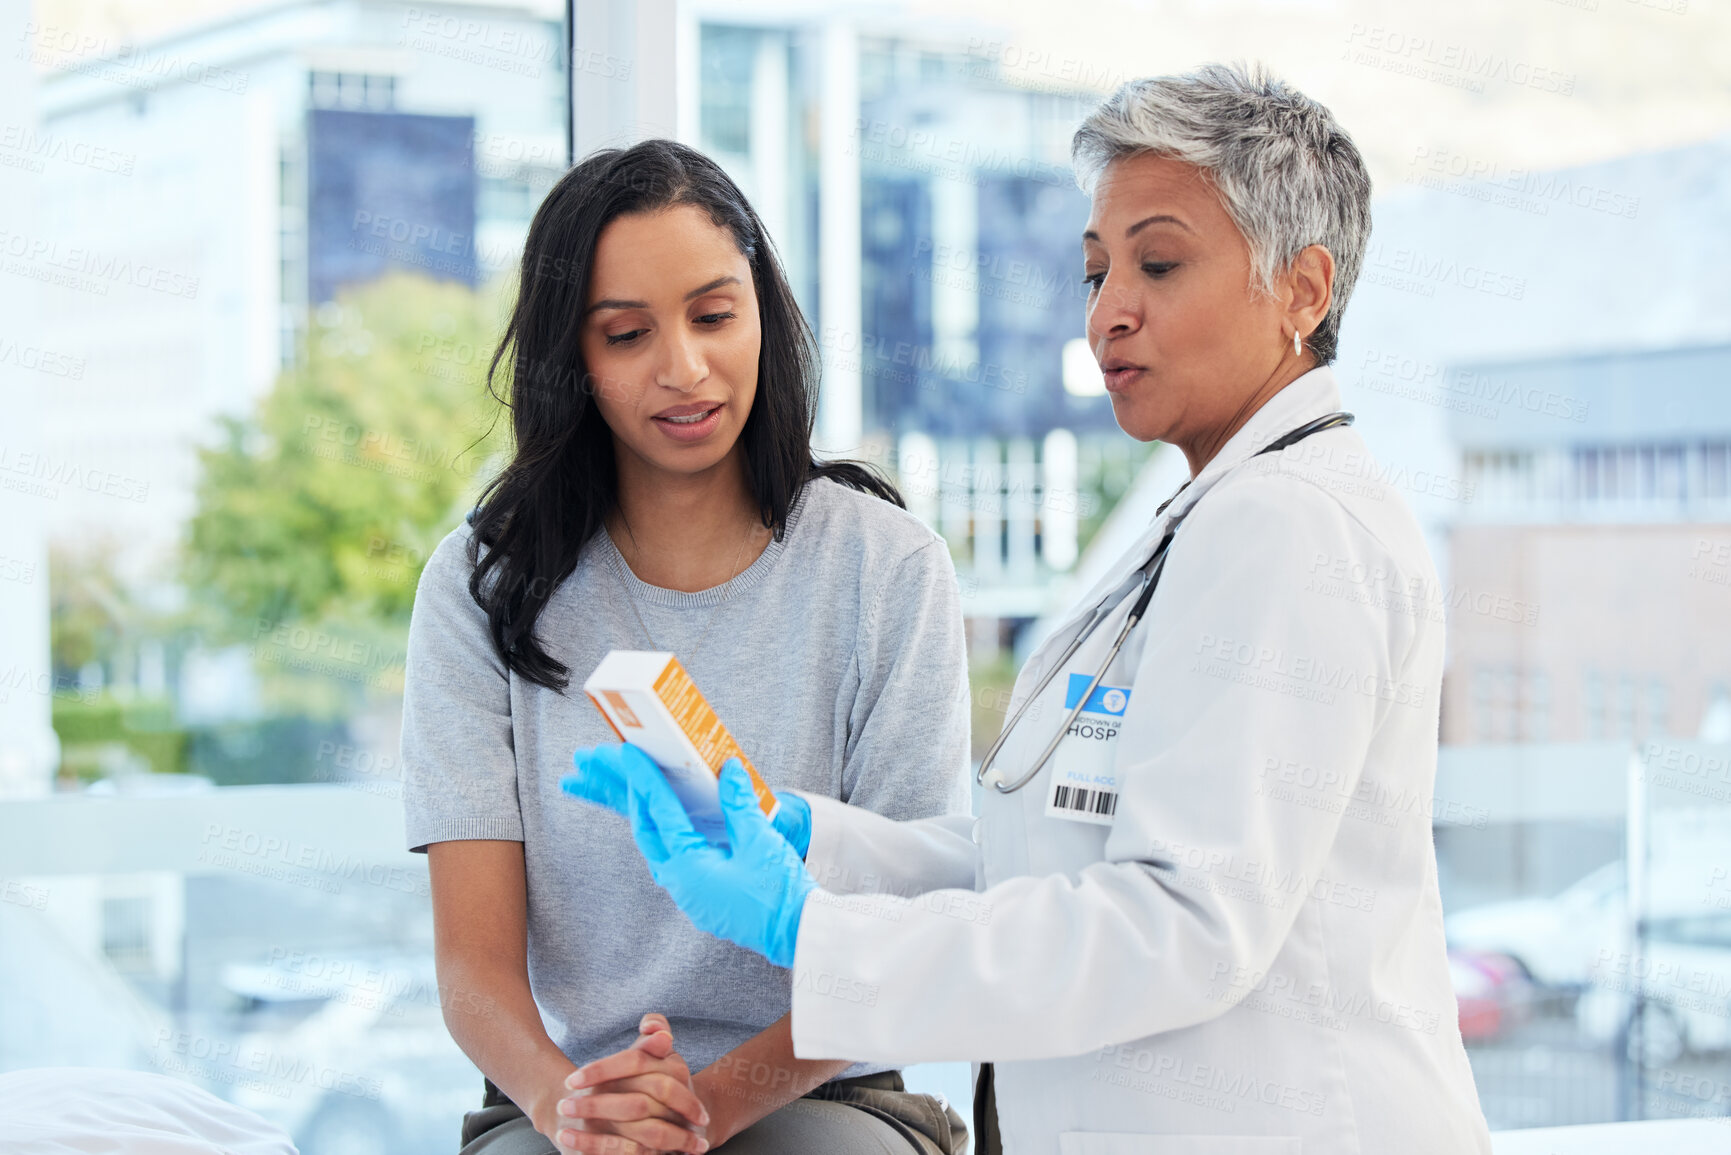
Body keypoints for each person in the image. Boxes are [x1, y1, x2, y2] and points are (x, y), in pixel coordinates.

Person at [567, 66, 1494, 1154]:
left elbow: (1183, 926)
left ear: (1302, 290)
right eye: (1096, 272)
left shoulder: (1290, 528)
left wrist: (804, 926)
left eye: (1159, 263)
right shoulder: (1212, 515)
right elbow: (1055, 860)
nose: (1109, 312)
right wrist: (814, 838)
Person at [400, 139, 972, 1155]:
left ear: (764, 315)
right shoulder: (479, 585)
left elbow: (910, 924)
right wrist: (571, 1104)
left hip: (826, 1084)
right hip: (568, 1099)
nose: (684, 368)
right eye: (626, 335)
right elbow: (473, 970)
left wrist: (703, 1111)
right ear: (572, 358)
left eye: (715, 316)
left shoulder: (887, 568)